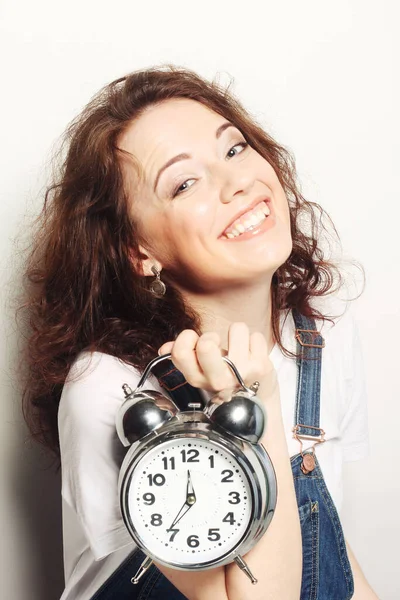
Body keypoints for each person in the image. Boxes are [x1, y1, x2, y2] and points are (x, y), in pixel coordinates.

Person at [21, 64, 379, 600]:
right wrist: (258, 404)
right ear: (138, 252)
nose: (238, 182)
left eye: (234, 149)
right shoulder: (112, 389)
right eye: (185, 182)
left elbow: (328, 549)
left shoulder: (321, 335)